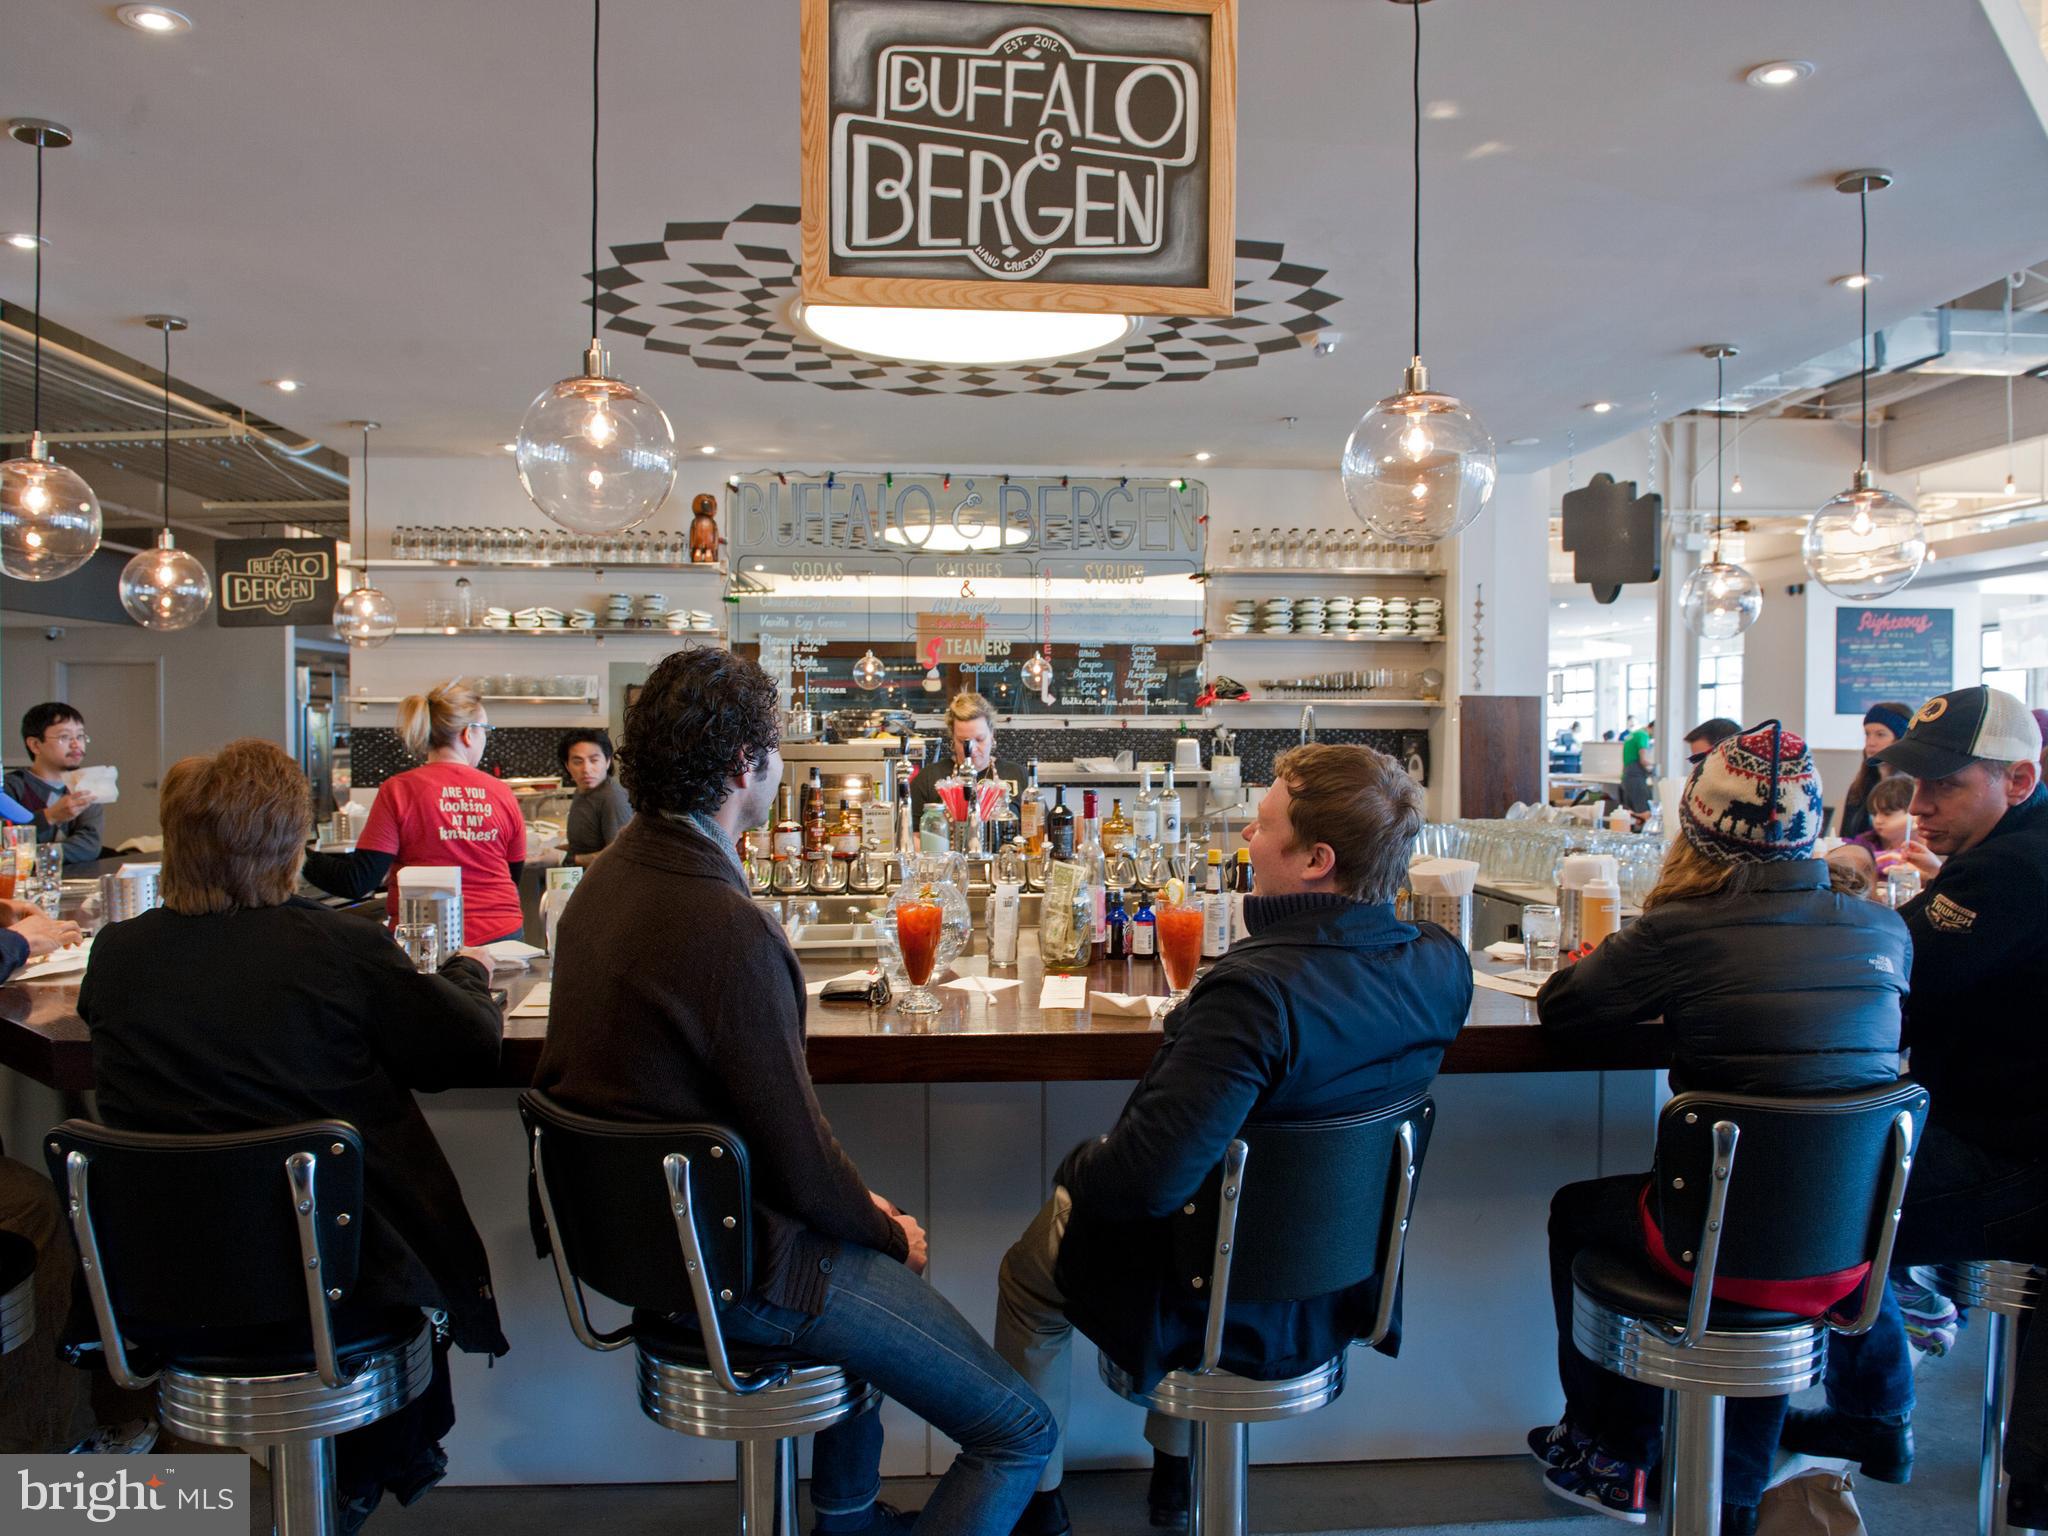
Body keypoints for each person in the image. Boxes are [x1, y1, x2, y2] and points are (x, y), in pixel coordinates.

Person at [536, 649, 1053, 1535]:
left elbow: (784, 1156)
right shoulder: (727, 925)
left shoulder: (601, 885)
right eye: (775, 750)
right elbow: (799, 1162)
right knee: (1018, 1429)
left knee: (863, 1250)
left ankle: (846, 1519)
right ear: (745, 765)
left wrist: (855, 1215)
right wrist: (882, 1228)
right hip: (745, 1265)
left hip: (635, 1240)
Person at [994, 743, 1473, 1536]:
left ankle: (1031, 1504)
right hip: (1336, 1287)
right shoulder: (1441, 966)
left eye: (1263, 824)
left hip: (1209, 1298)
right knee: (1214, 1218)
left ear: (1316, 859)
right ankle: (1179, 1476)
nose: (1244, 838)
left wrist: (1075, 1168)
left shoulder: (1254, 992)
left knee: (1032, 1273)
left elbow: (1143, 1185)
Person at [77, 739, 508, 1531]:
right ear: (290, 843)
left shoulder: (118, 954)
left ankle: (202, 1498)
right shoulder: (337, 948)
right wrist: (466, 972)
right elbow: (466, 1049)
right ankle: (345, 1489)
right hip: (334, 1289)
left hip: (164, 1283)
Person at [1531, 722, 1908, 1533]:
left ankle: (1610, 1450)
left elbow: (1564, 1014)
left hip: (1713, 1250)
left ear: (1697, 827)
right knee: (1785, 1194)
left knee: (1582, 1211)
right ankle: (1788, 1465)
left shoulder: (1681, 930)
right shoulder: (1885, 930)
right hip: (1849, 1249)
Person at [1781, 688, 2048, 1527]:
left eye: (1945, 786)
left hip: (2017, 1166)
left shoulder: (2011, 867)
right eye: (1912, 782)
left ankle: (1802, 1439)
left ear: (2020, 776)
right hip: (2004, 1136)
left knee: (1785, 1204)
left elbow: (1892, 987)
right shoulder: (2011, 849)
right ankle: (1875, 1406)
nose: (1919, 806)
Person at [304, 682, 527, 945]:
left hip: (426, 942)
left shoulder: (398, 790)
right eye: (486, 731)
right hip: (501, 935)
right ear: (469, 734)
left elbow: (358, 881)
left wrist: (298, 857)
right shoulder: (501, 792)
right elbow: (512, 875)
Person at [5, 703, 104, 865]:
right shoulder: (12, 788)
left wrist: (38, 854)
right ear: (35, 745)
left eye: (80, 736)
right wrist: (50, 816)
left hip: (76, 881)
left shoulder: (84, 786)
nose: (76, 744)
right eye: (64, 737)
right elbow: (8, 846)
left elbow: (89, 846)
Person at [908, 692, 1022, 823]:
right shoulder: (928, 779)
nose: (972, 749)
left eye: (979, 739)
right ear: (953, 738)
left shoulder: (1017, 774)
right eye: (963, 741)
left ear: (992, 734)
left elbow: (1037, 831)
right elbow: (913, 835)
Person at [1826, 774, 1938, 897]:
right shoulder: (1866, 841)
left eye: (1887, 814)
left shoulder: (1930, 852)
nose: (1878, 820)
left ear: (1912, 815)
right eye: (1874, 814)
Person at [1834, 701, 1914, 840]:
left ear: (1901, 740)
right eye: (1867, 734)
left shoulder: (1914, 788)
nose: (1870, 742)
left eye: (1880, 735)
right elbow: (1846, 837)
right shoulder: (1859, 787)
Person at [559, 728, 630, 865]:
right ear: (567, 765)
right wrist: (553, 852)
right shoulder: (582, 790)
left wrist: (565, 859)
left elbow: (619, 856)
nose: (586, 769)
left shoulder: (612, 798)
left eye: (594, 760)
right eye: (578, 762)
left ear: (608, 761)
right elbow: (582, 846)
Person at [1620, 718, 1655, 813]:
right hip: (1635, 778)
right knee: (1644, 811)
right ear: (1653, 728)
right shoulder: (1643, 735)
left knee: (1632, 813)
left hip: (1627, 777)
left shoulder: (1633, 734)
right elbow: (1643, 760)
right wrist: (1654, 768)